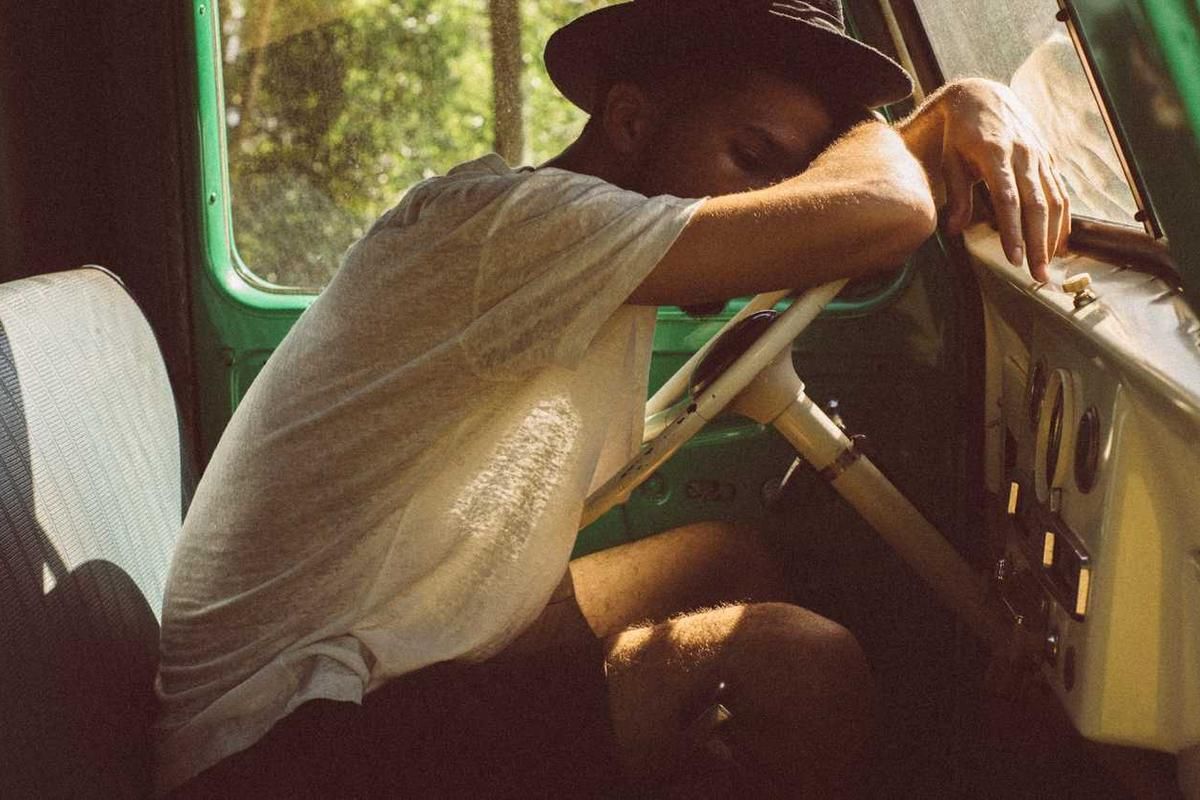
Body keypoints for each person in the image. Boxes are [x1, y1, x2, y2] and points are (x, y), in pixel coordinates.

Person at [155, 0, 1068, 797]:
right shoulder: (510, 228)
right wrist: (942, 108)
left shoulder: (602, 243)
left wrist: (932, 122)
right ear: (629, 122)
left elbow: (838, 216)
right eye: (752, 158)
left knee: (722, 560)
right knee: (804, 667)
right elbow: (885, 213)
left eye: (786, 178)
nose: (771, 204)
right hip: (282, 747)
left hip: (387, 656)